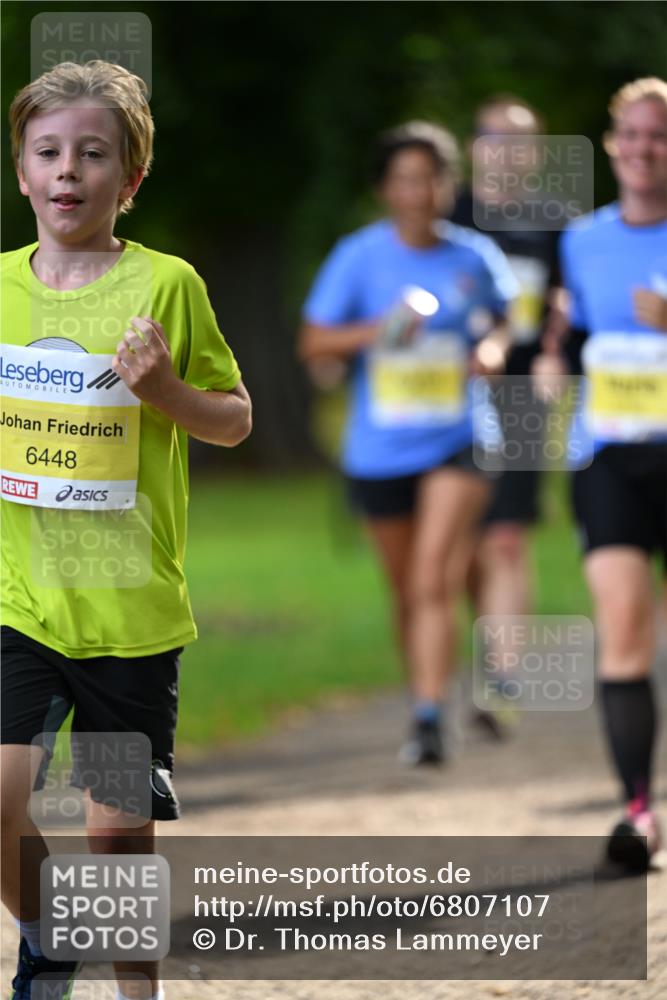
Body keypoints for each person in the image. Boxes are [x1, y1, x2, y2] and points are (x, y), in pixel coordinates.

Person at [1, 60, 252, 999]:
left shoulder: (168, 285)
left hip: (129, 613)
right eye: (48, 152)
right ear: (22, 171)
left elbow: (233, 418)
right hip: (16, 598)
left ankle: (136, 990)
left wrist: (165, 392)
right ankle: (52, 937)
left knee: (116, 834)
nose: (69, 171)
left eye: (93, 154)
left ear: (130, 179)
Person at [299, 121, 517, 766]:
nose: (419, 192)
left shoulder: (474, 256)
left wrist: (490, 350)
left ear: (448, 184)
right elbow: (314, 344)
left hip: (462, 436)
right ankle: (435, 685)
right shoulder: (357, 257)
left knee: (430, 576)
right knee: (407, 589)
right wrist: (380, 331)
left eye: (431, 178)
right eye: (405, 179)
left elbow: (503, 324)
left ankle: (428, 720)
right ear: (385, 188)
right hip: (380, 448)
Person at [558, 77, 667, 870]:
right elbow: (579, 340)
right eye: (629, 134)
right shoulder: (583, 240)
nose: (641, 148)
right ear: (610, 144)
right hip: (608, 453)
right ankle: (636, 811)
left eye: (657, 135)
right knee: (622, 629)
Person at [450, 95, 567, 737]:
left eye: (522, 141)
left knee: (506, 536)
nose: (509, 151)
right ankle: (478, 649)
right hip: (450, 397)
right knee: (463, 542)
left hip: (522, 396)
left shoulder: (555, 223)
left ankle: (500, 677)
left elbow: (565, 306)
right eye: (497, 138)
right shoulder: (448, 215)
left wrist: (555, 348)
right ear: (475, 146)